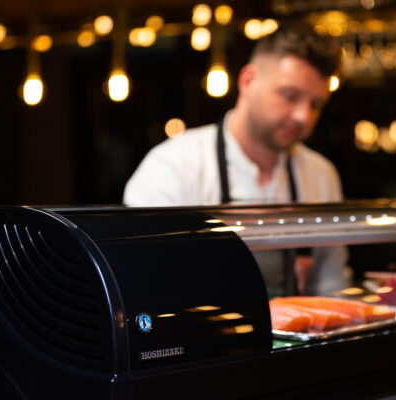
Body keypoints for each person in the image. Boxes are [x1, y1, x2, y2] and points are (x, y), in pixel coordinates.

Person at [123, 23, 350, 295]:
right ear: (248, 81)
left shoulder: (321, 175)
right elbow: (146, 286)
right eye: (290, 96)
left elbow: (333, 287)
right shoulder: (172, 167)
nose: (304, 116)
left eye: (315, 104)